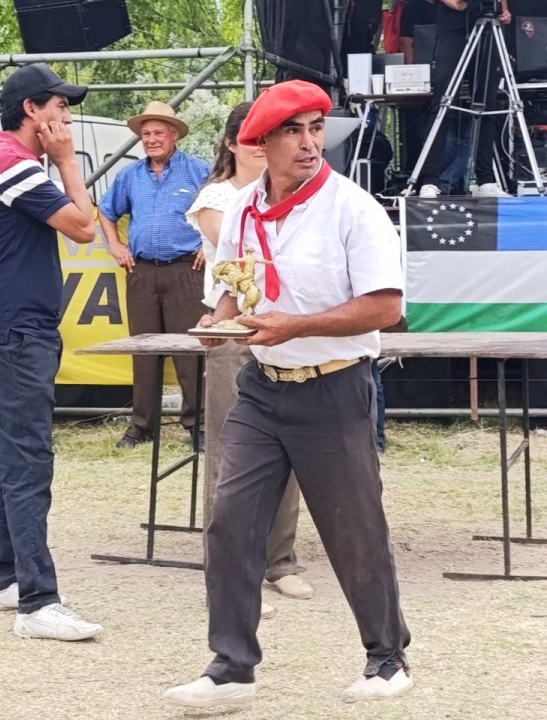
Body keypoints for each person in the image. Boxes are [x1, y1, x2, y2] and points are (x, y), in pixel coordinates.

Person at [164, 79, 411, 709]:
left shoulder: (352, 208)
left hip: (335, 386)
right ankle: (231, 668)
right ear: (260, 143)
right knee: (229, 521)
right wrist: (218, 322)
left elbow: (386, 307)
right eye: (292, 131)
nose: (309, 144)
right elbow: (231, 285)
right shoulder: (242, 207)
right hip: (263, 387)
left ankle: (387, 659)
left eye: (315, 129)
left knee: (354, 529)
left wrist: (293, 326)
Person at [0, 63, 103, 640]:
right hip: (14, 334)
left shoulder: (1, 159)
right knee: (27, 461)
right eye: (61, 106)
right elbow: (83, 227)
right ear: (32, 110)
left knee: (8, 456)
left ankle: (2, 579)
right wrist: (69, 162)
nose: (66, 118)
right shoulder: (12, 162)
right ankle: (37, 603)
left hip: (5, 331)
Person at [185, 102, 313, 622]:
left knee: (291, 444)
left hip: (288, 329)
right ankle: (228, 564)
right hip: (235, 331)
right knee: (230, 449)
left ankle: (279, 560)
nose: (260, 146)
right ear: (232, 144)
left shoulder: (296, 196)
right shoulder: (218, 198)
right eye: (252, 137)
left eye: (268, 136)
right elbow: (242, 250)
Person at [98, 101, 210, 450]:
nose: (151, 139)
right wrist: (115, 245)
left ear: (174, 134)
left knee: (191, 351)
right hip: (141, 271)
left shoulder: (198, 171)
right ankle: (141, 427)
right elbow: (105, 211)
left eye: (158, 132)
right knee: (144, 350)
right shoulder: (129, 176)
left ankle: (198, 425)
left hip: (186, 270)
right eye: (146, 134)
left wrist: (210, 244)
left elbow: (223, 209)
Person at [419, 0, 512, 198]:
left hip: (488, 23)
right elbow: (455, 4)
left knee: (487, 104)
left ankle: (486, 180)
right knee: (444, 102)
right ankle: (430, 180)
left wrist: (503, 10)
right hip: (452, 27)